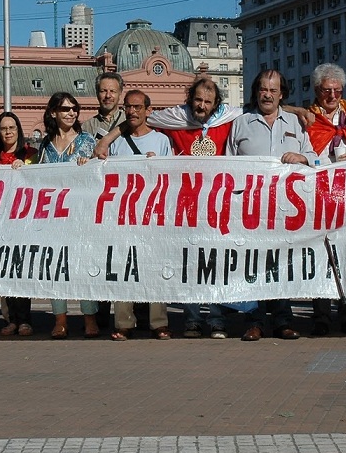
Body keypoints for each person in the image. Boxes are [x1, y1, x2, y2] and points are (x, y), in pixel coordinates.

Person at [95, 76, 241, 338]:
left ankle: (217, 319)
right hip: (184, 205)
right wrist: (107, 140)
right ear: (189, 100)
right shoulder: (175, 118)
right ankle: (192, 319)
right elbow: (137, 119)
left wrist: (298, 110)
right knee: (187, 262)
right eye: (197, 99)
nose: (201, 105)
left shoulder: (227, 117)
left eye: (207, 101)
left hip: (216, 203)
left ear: (216, 103)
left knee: (215, 264)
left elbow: (264, 107)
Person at [225, 69, 317, 341]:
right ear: (256, 92)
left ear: (281, 95)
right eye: (263, 89)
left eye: (273, 90)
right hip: (250, 208)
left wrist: (302, 157)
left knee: (282, 263)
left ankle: (282, 321)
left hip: (286, 207)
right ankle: (254, 321)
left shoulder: (296, 123)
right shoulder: (241, 123)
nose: (267, 94)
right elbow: (228, 164)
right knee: (253, 264)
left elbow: (314, 157)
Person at [297, 63, 346, 336]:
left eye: (337, 91)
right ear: (317, 91)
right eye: (326, 90)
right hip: (318, 196)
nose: (332, 96)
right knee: (320, 257)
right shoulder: (308, 120)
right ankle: (321, 315)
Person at [107, 90, 173, 341]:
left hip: (153, 215)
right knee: (124, 268)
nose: (132, 111)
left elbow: (170, 177)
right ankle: (124, 322)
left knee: (154, 268)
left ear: (149, 110)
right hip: (124, 216)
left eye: (137, 107)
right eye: (128, 107)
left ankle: (159, 322)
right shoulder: (117, 141)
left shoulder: (161, 141)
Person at [38, 92, 97, 339]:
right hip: (53, 215)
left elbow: (100, 175)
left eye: (74, 109)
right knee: (56, 265)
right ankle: (60, 319)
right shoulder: (45, 144)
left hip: (81, 214)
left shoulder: (87, 141)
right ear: (53, 113)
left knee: (82, 265)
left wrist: (90, 165)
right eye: (65, 109)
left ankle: (89, 318)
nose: (71, 113)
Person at [0, 111, 37, 336]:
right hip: (1, 222)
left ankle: (24, 320)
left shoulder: (31, 154)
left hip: (24, 221)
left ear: (18, 130)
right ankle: (12, 319)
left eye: (12, 127)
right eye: (3, 128)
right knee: (6, 272)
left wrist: (27, 167)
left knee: (21, 270)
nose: (8, 132)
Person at [81, 71, 126, 328]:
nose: (107, 95)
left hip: (124, 206)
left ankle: (131, 318)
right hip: (97, 206)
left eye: (112, 91)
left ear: (120, 93)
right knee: (98, 261)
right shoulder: (86, 127)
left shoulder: (132, 119)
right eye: (103, 91)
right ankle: (98, 316)